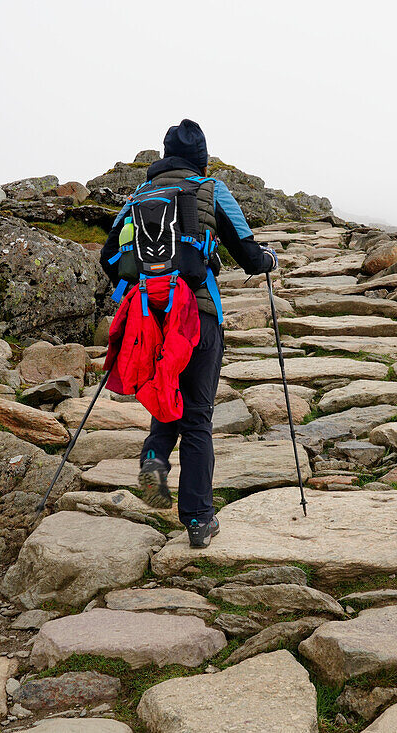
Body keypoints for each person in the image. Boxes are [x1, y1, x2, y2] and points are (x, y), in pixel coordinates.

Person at [99, 119, 277, 548]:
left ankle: (155, 459)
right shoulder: (212, 190)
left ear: (163, 155)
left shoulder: (138, 197)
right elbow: (250, 256)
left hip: (149, 321)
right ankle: (198, 520)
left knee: (166, 395)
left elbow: (108, 259)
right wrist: (268, 259)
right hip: (196, 316)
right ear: (202, 156)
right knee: (197, 416)